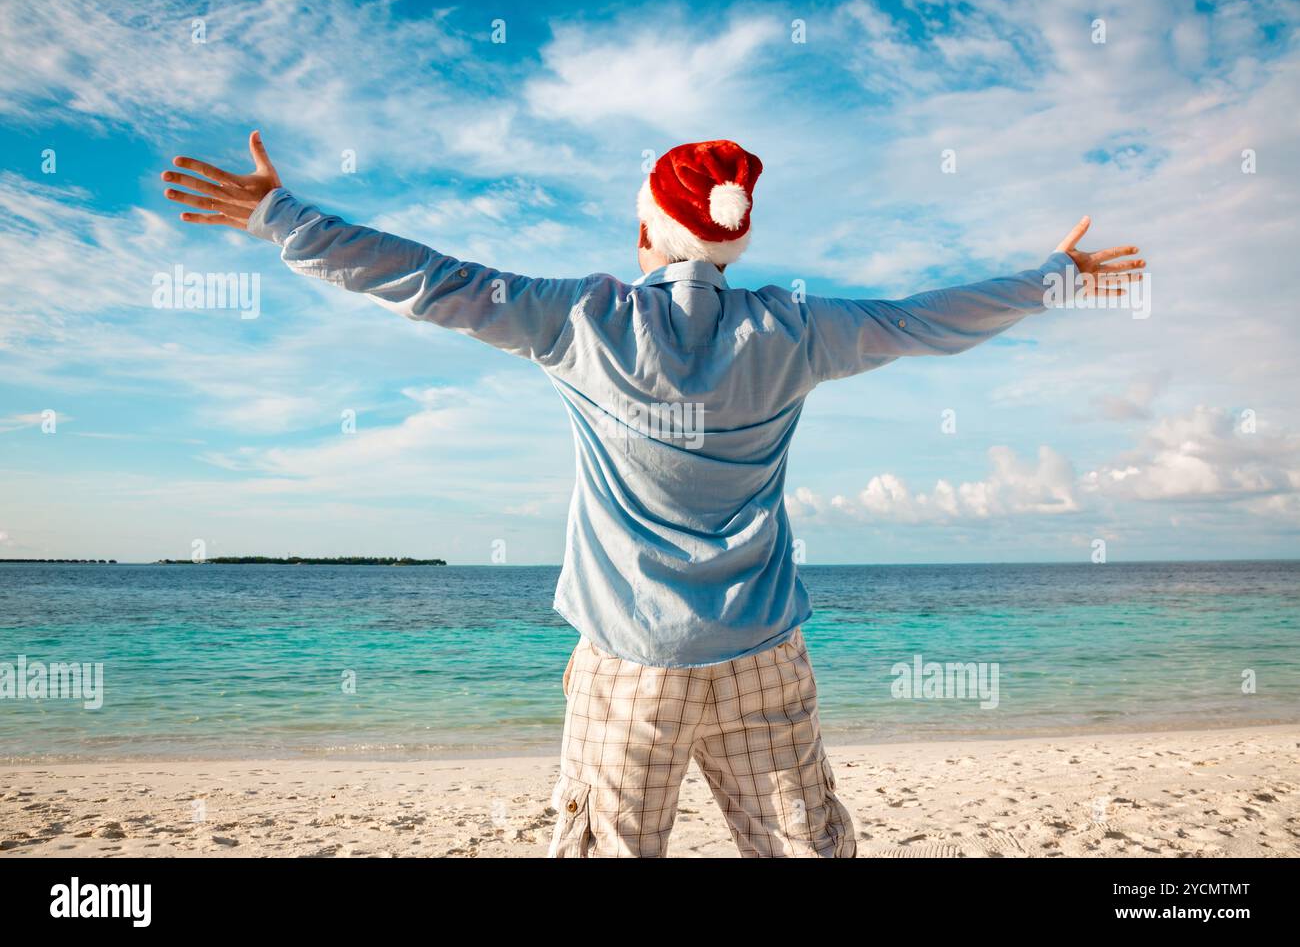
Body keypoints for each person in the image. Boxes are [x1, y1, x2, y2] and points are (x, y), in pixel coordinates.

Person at [162, 132, 1142, 857]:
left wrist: (280, 215)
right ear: (732, 242)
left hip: (630, 665)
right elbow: (929, 318)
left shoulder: (580, 318)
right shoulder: (797, 328)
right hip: (765, 653)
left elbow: (427, 278)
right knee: (806, 846)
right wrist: (1052, 278)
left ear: (647, 232)